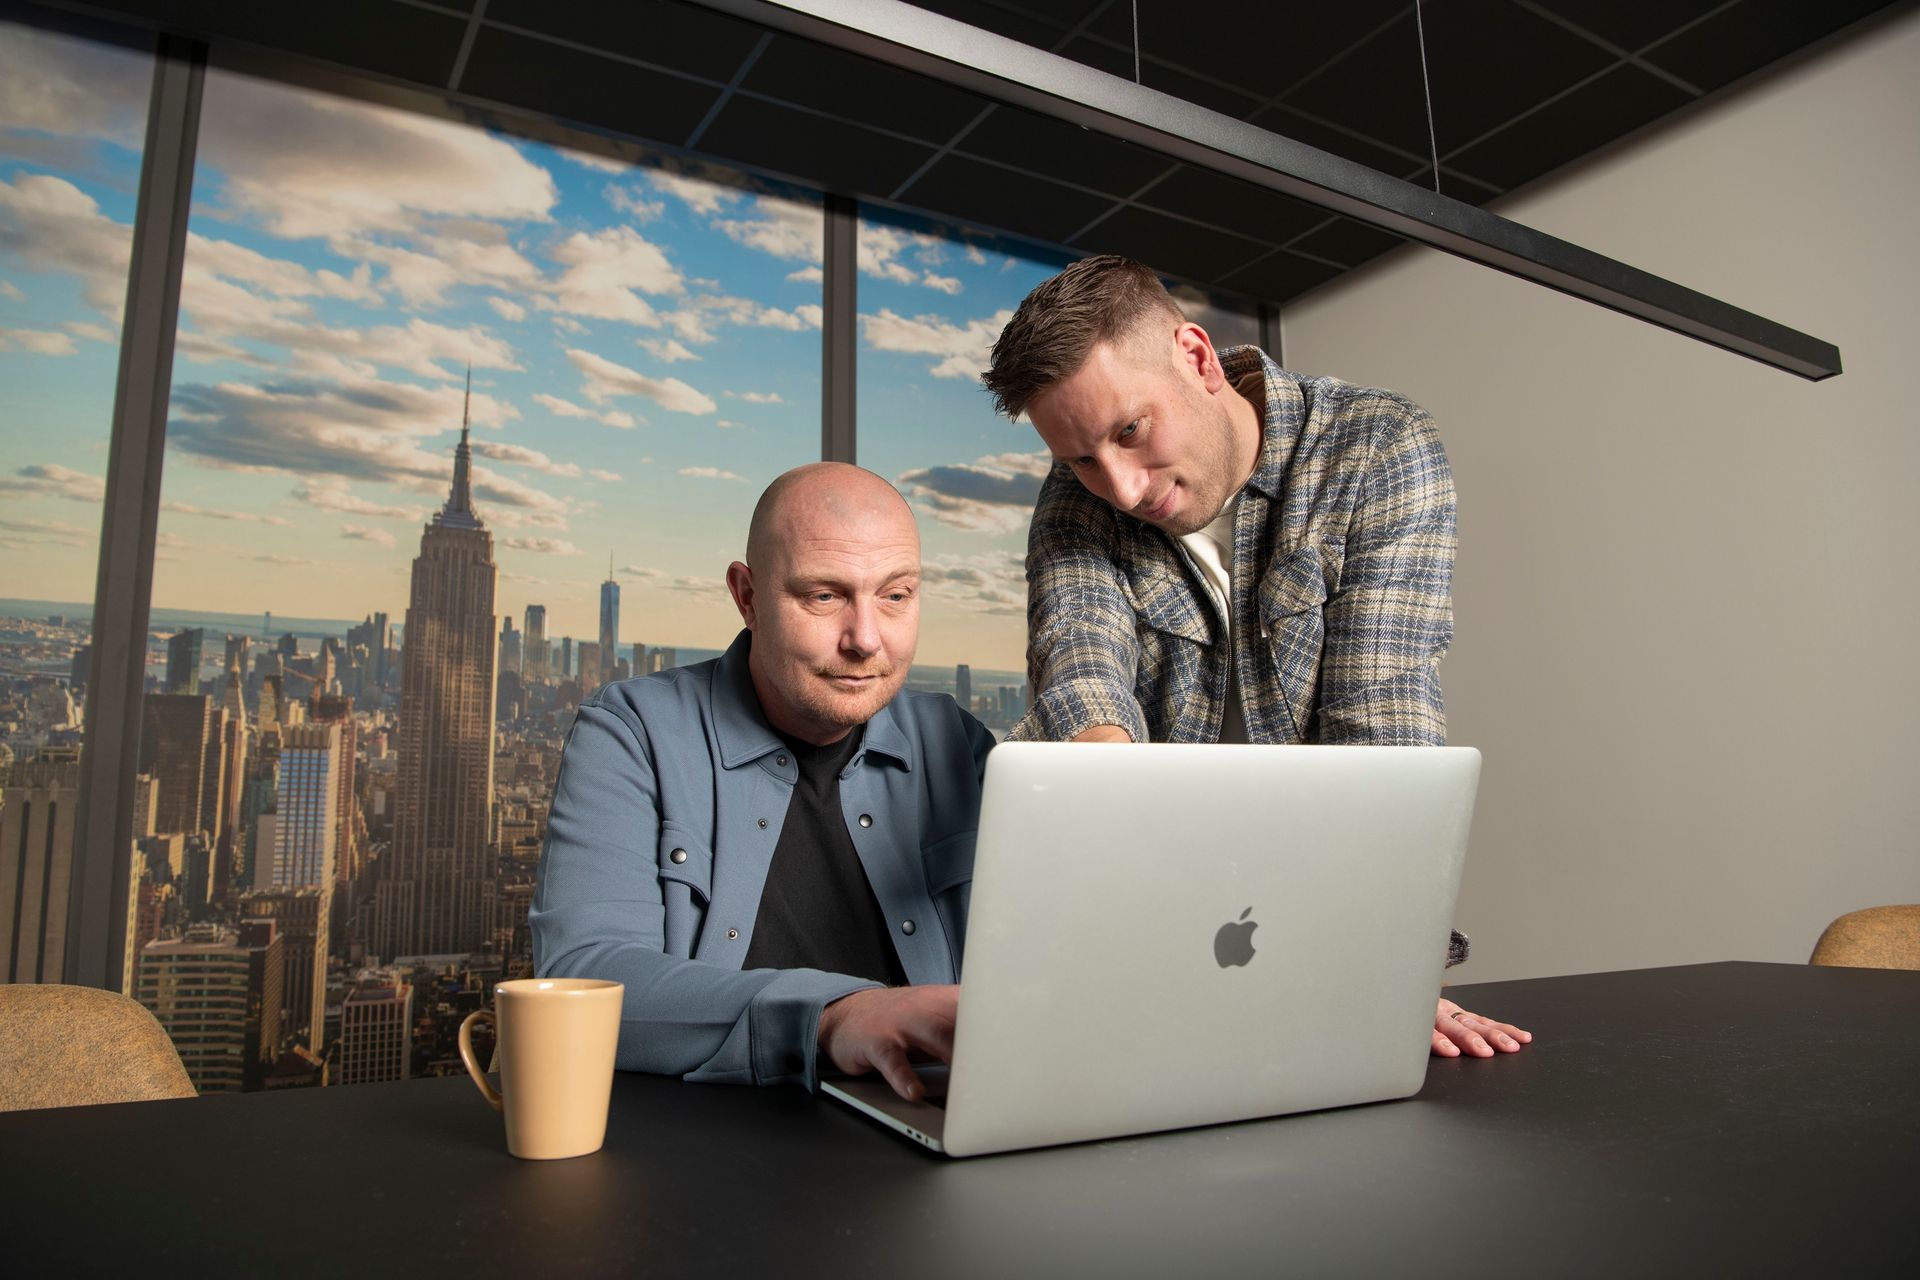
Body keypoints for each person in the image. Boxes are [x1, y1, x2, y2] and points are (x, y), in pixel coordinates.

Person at [984, 255, 1530, 1059]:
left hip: (1329, 915)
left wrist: (1383, 968)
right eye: (1081, 460)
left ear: (1199, 359)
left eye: (1131, 432)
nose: (1122, 489)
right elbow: (1084, 683)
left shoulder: (1375, 447)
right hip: (1157, 921)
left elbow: (1378, 743)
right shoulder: (1077, 502)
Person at [531, 463, 985, 1101]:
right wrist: (834, 1014)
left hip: (927, 1134)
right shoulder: (632, 731)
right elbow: (584, 985)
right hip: (702, 1150)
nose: (865, 639)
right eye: (824, 596)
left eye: (896, 595)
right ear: (746, 596)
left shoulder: (957, 742)